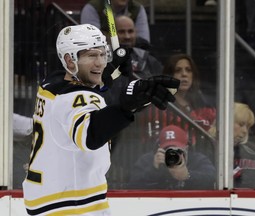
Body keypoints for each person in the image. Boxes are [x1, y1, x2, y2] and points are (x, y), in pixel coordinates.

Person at [22, 24, 180, 216]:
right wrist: (126, 106)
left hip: (54, 197)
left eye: (102, 55)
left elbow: (96, 96)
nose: (100, 63)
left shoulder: (52, 84)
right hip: (70, 205)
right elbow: (91, 134)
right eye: (91, 56)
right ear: (69, 61)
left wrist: (114, 75)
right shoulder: (73, 98)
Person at [144, 53, 217, 162]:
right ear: (169, 75)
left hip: (201, 163)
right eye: (178, 70)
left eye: (188, 70)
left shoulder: (205, 107)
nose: (184, 74)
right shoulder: (158, 107)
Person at [128, 124, 216, 189]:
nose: (172, 155)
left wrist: (187, 176)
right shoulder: (148, 160)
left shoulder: (198, 160)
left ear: (186, 148)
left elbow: (212, 180)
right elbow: (132, 186)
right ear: (159, 149)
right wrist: (154, 170)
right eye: (168, 150)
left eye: (177, 150)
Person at [106, 15, 163, 105]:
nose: (127, 36)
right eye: (121, 32)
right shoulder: (103, 59)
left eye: (130, 31)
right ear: (110, 35)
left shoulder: (148, 59)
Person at [80, 0, 150, 45]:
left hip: (132, 54)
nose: (127, 36)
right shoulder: (93, 7)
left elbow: (143, 42)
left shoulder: (137, 9)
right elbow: (93, 41)